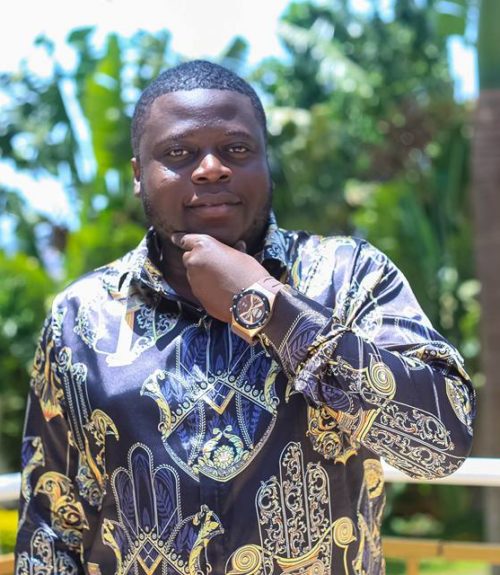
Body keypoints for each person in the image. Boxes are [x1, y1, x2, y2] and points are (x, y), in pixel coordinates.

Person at [15, 60, 475, 575]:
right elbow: (53, 530)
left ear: (264, 162)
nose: (211, 168)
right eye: (179, 153)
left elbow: (442, 444)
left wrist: (267, 306)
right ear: (139, 176)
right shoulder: (81, 317)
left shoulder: (348, 277)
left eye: (236, 149)